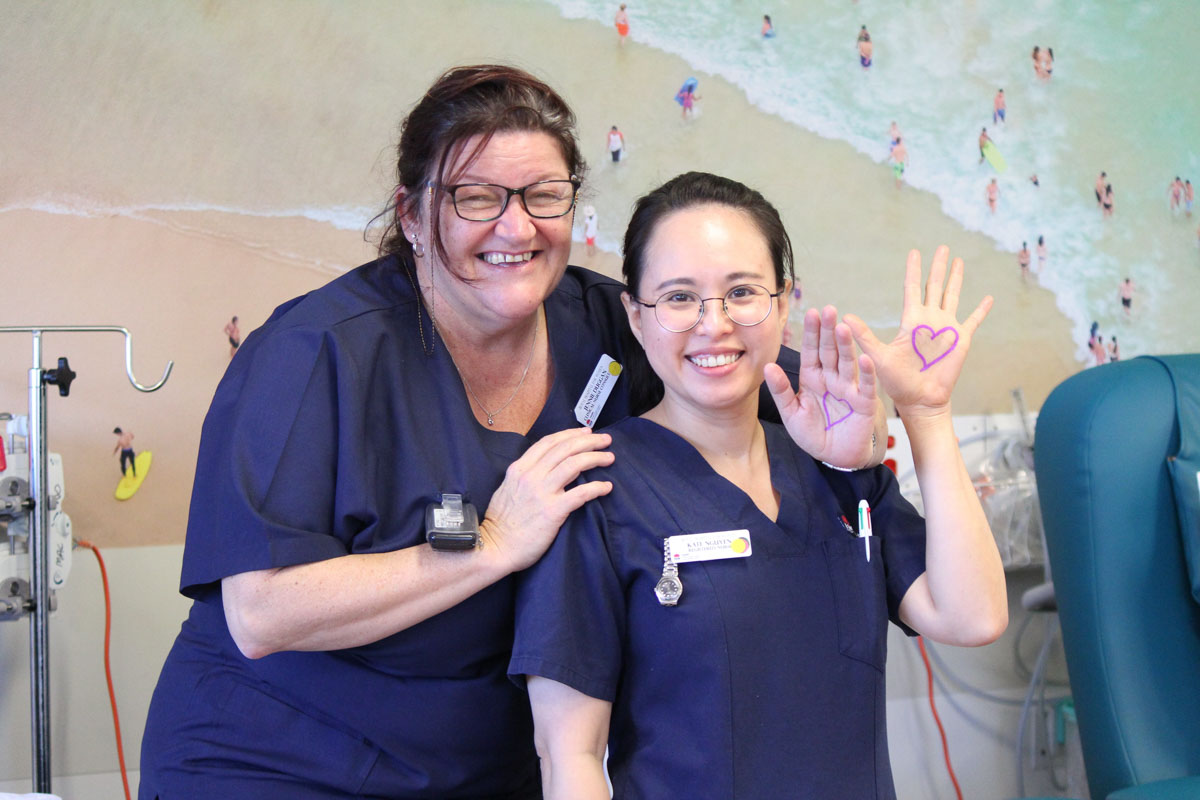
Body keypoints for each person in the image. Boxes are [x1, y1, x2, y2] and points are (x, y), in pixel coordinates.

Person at [138, 66, 885, 800]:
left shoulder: (602, 326)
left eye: (543, 196)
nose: (516, 226)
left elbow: (762, 365)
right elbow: (262, 611)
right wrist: (492, 544)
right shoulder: (316, 354)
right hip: (280, 762)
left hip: (499, 766)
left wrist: (904, 411)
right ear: (410, 215)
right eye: (477, 197)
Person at [510, 172, 1007, 798]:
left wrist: (927, 413)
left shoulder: (835, 467)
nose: (713, 324)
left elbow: (972, 615)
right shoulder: (595, 494)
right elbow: (569, 758)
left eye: (741, 292)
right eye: (679, 298)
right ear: (635, 316)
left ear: (783, 302)